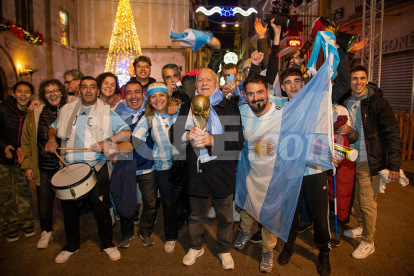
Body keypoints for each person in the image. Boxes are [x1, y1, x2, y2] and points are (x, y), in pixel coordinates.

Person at [45, 76, 132, 263]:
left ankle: (107, 243)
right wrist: (52, 139)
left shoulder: (106, 112)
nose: (89, 90)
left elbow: (126, 133)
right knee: (69, 211)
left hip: (96, 166)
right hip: (69, 167)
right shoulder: (67, 110)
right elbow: (52, 128)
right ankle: (72, 245)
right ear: (80, 90)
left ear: (97, 90)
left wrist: (106, 142)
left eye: (93, 87)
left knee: (101, 210)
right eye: (85, 87)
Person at [170, 68, 244, 270]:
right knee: (195, 214)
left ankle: (224, 250)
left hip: (222, 169)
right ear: (195, 85)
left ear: (216, 82)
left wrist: (212, 140)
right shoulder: (187, 107)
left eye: (208, 79)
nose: (204, 83)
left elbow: (237, 140)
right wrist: (186, 135)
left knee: (225, 216)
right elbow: (174, 134)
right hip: (196, 169)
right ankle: (196, 246)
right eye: (200, 80)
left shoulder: (228, 107)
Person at [339, 66, 401, 259]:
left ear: (368, 80)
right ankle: (361, 226)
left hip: (369, 159)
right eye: (354, 79)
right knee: (355, 197)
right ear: (349, 81)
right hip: (349, 159)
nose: (358, 82)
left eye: (362, 78)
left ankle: (368, 241)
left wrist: (394, 165)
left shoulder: (378, 103)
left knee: (367, 202)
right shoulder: (345, 101)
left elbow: (392, 133)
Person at [132, 83, 179, 253]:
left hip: (182, 166)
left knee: (185, 200)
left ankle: (188, 228)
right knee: (167, 204)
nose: (158, 99)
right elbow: (136, 138)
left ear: (167, 97)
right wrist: (152, 155)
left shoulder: (178, 111)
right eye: (153, 96)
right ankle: (171, 236)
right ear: (149, 100)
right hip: (163, 167)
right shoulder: (148, 119)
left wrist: (177, 103)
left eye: (161, 95)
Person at [20, 79, 67, 249]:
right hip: (44, 164)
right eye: (48, 91)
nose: (52, 94)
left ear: (62, 92)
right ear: (43, 95)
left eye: (55, 90)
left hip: (65, 163)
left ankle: (71, 232)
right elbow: (25, 140)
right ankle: (46, 231)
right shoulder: (35, 112)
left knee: (68, 201)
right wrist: (27, 165)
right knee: (44, 201)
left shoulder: (71, 108)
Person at [113, 80, 155, 249]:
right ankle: (127, 232)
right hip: (125, 163)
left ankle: (146, 231)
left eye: (136, 92)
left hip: (147, 164)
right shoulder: (117, 113)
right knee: (126, 201)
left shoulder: (151, 108)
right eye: (128, 93)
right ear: (124, 96)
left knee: (151, 202)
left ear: (143, 93)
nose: (133, 96)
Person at [0, 81, 35, 242]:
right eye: (19, 91)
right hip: (3, 157)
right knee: (5, 192)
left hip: (21, 157)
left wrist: (21, 147)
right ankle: (10, 224)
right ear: (14, 93)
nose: (23, 95)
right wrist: (5, 146)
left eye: (27, 92)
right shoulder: (4, 109)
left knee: (24, 190)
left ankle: (27, 221)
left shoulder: (30, 112)